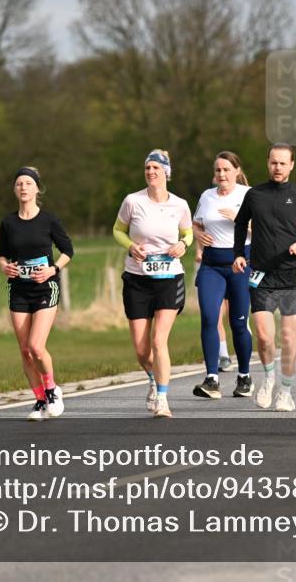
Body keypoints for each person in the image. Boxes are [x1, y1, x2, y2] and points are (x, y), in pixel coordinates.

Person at [232, 143, 296, 413]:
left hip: (291, 276)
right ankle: (269, 378)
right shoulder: (255, 194)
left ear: (292, 165)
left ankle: (286, 390)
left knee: (289, 338)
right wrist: (238, 254)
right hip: (261, 274)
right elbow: (239, 224)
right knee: (263, 336)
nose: (277, 167)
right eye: (273, 162)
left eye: (283, 163)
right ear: (267, 162)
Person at [114, 150, 193, 418]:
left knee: (159, 341)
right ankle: (151, 376)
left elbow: (188, 232)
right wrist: (131, 246)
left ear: (166, 172)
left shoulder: (180, 204)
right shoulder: (132, 201)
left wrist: (184, 244)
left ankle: (162, 397)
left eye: (156, 168)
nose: (150, 172)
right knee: (141, 349)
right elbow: (117, 230)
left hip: (169, 278)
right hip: (137, 279)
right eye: (147, 168)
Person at [0, 167, 74, 421]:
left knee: (36, 347)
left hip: (45, 286)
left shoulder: (48, 220)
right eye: (19, 183)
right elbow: (2, 253)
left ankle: (52, 391)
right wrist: (4, 265)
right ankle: (40, 400)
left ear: (37, 189)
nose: (23, 187)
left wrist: (52, 269)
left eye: (28, 183)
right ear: (14, 189)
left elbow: (68, 251)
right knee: (24, 350)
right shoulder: (8, 222)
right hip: (18, 288)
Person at [192, 151, 254, 399]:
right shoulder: (207, 196)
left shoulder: (248, 195)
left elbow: (264, 228)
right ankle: (212, 378)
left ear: (237, 171)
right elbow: (196, 223)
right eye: (218, 170)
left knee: (238, 322)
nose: (222, 174)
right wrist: (198, 235)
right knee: (209, 317)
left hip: (240, 263)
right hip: (211, 264)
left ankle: (244, 376)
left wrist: (240, 220)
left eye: (226, 169)